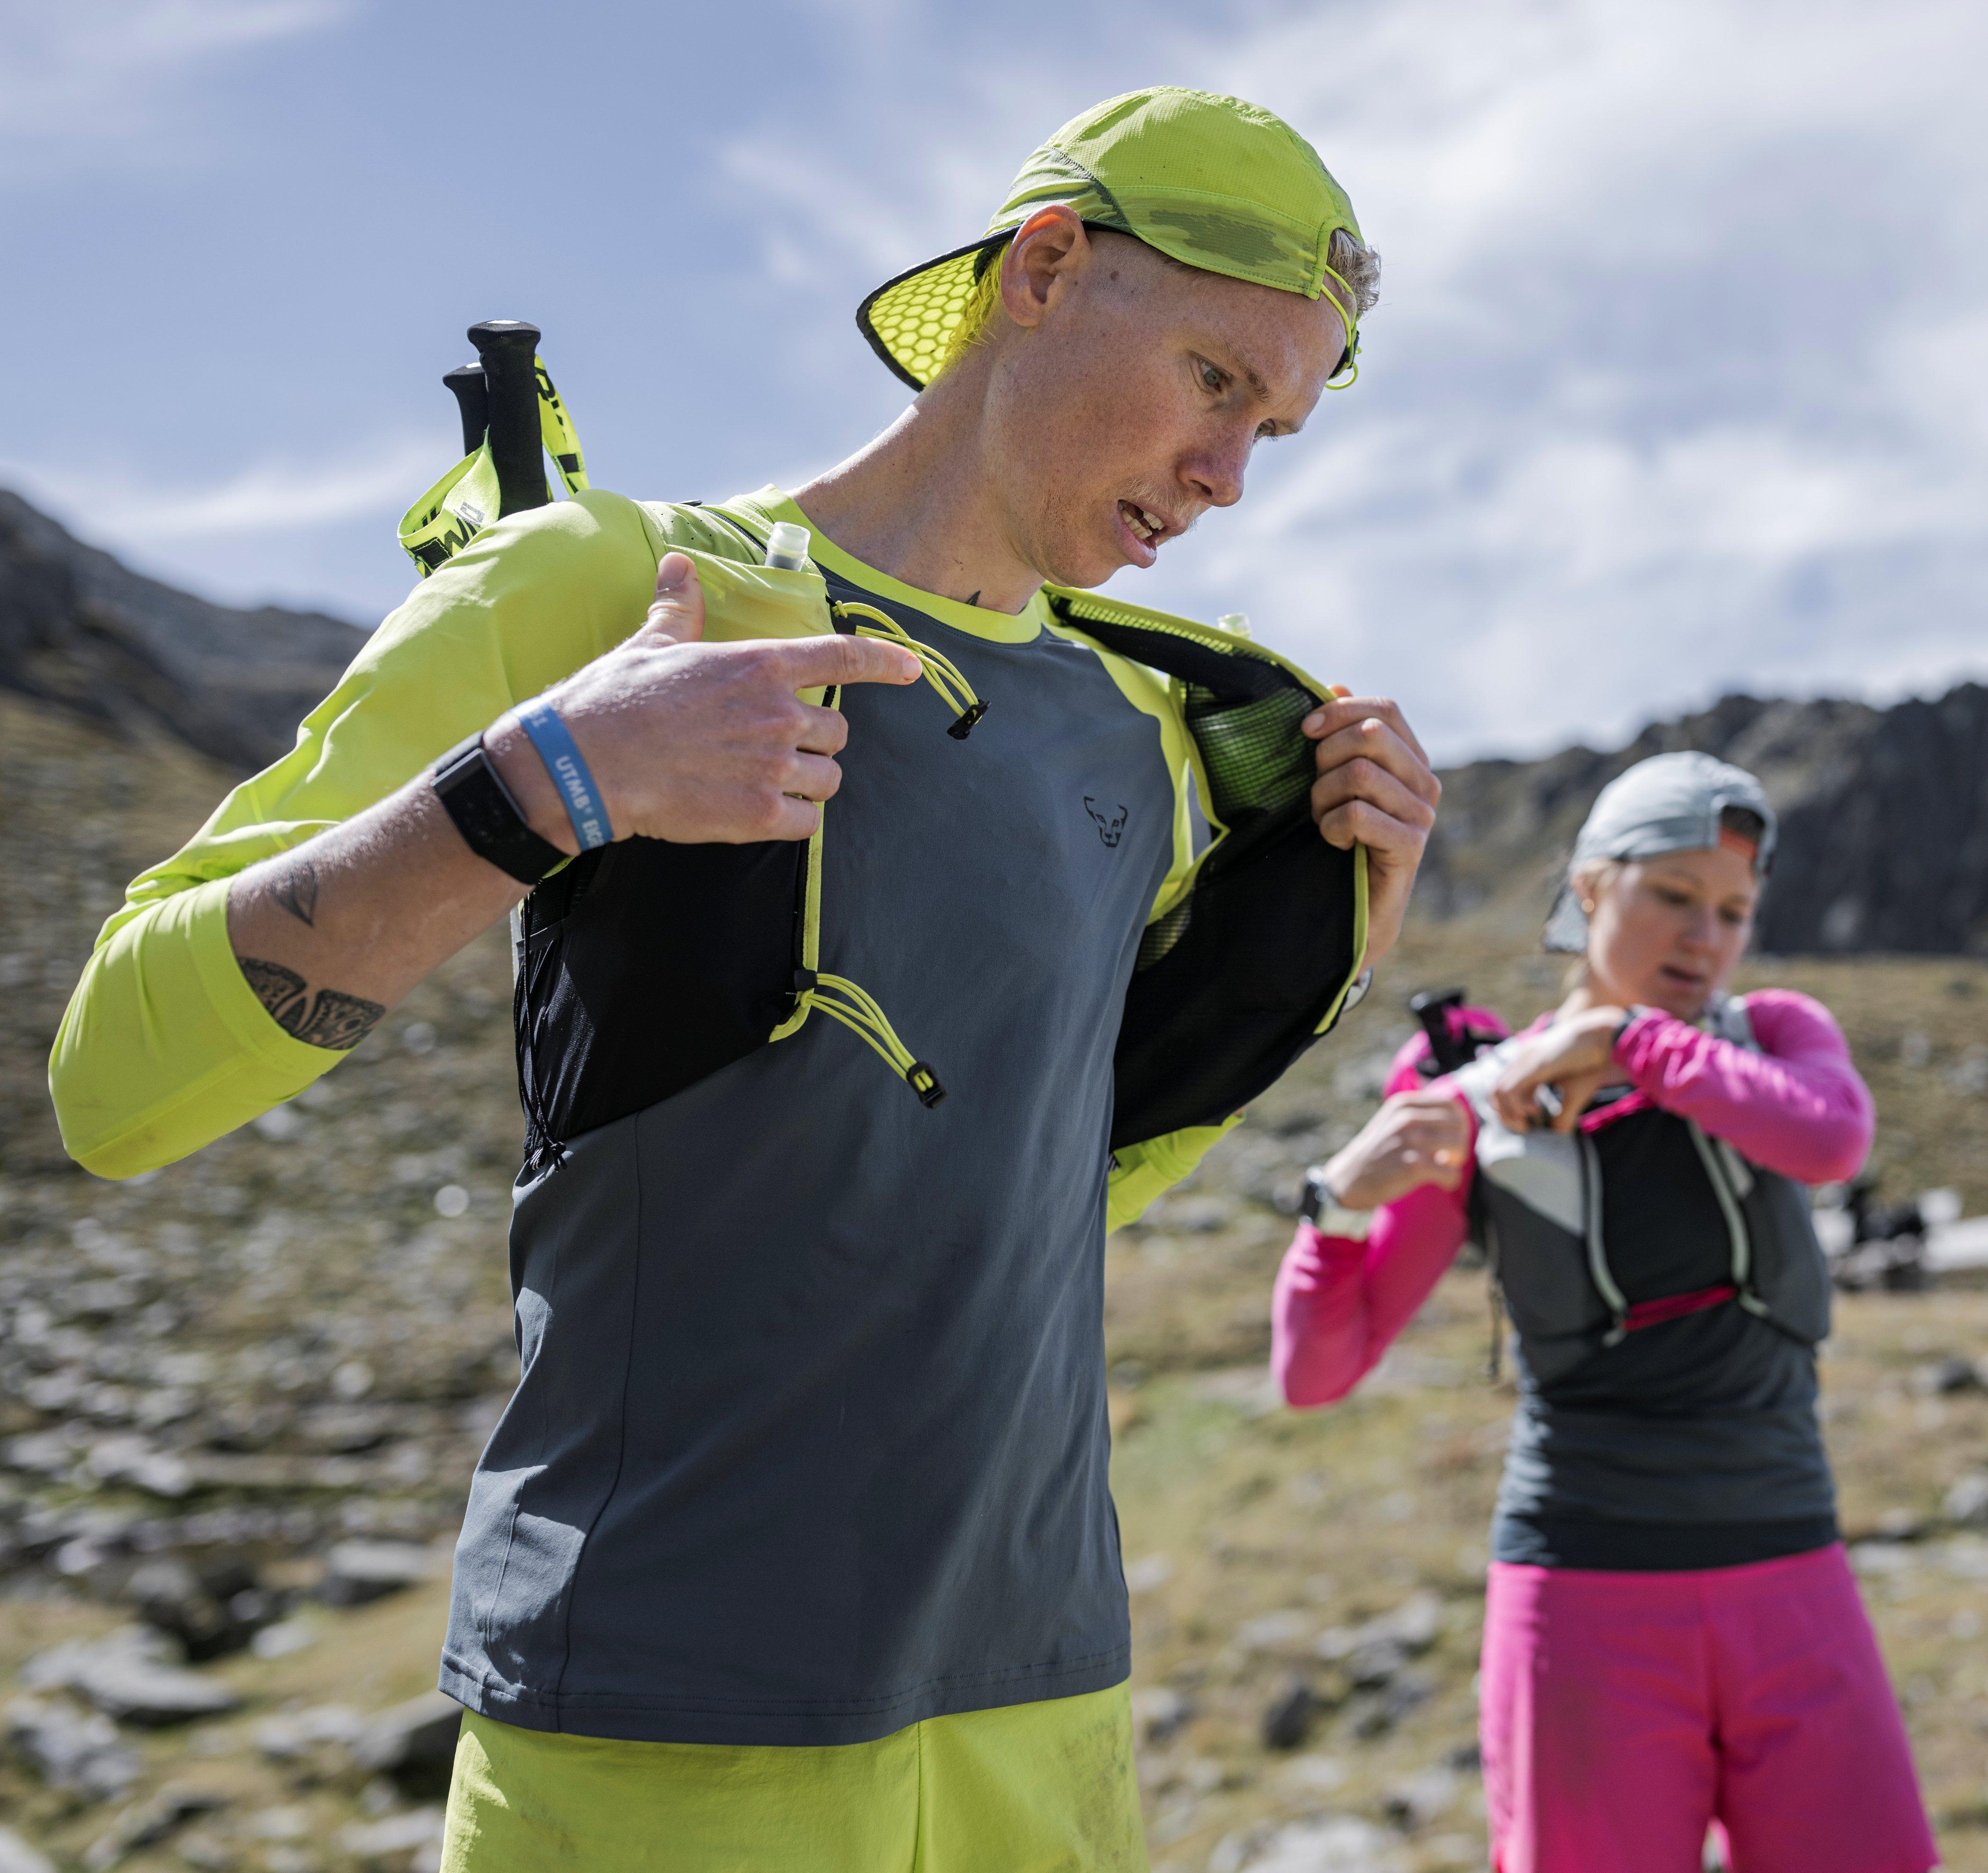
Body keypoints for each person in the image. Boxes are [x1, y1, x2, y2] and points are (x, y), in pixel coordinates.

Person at [50, 88, 1438, 1871]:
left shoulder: (1152, 738)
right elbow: (114, 1080)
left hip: (1042, 1715)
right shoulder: (615, 589)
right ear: (1042, 270)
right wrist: (546, 782)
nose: (1227, 472)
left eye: (1275, 428)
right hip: (656, 1725)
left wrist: (1342, 929)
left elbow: (1035, 1189)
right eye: (1214, 379)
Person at [1270, 753, 1935, 1873]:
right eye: (1672, 894)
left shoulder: (1773, 1034)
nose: (1705, 937)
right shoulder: (1478, 1093)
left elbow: (1831, 1139)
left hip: (1793, 1571)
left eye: (1733, 911)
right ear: (1588, 888)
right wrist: (1333, 1207)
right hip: (1584, 1598)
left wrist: (1625, 1040)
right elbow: (1315, 1372)